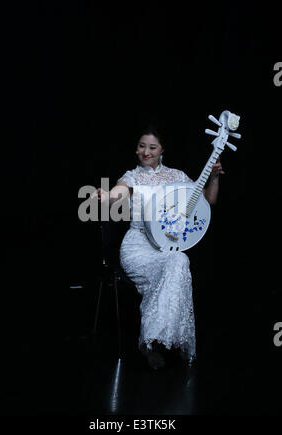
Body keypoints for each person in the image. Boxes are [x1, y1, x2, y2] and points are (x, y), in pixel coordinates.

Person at [91, 126, 224, 369]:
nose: (146, 151)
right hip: (138, 247)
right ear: (136, 149)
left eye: (152, 147)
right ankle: (152, 345)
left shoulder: (177, 176)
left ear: (162, 150)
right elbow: (118, 193)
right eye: (142, 146)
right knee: (168, 270)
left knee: (179, 261)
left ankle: (165, 340)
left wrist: (214, 177)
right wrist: (106, 195)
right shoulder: (132, 176)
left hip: (165, 247)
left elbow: (208, 200)